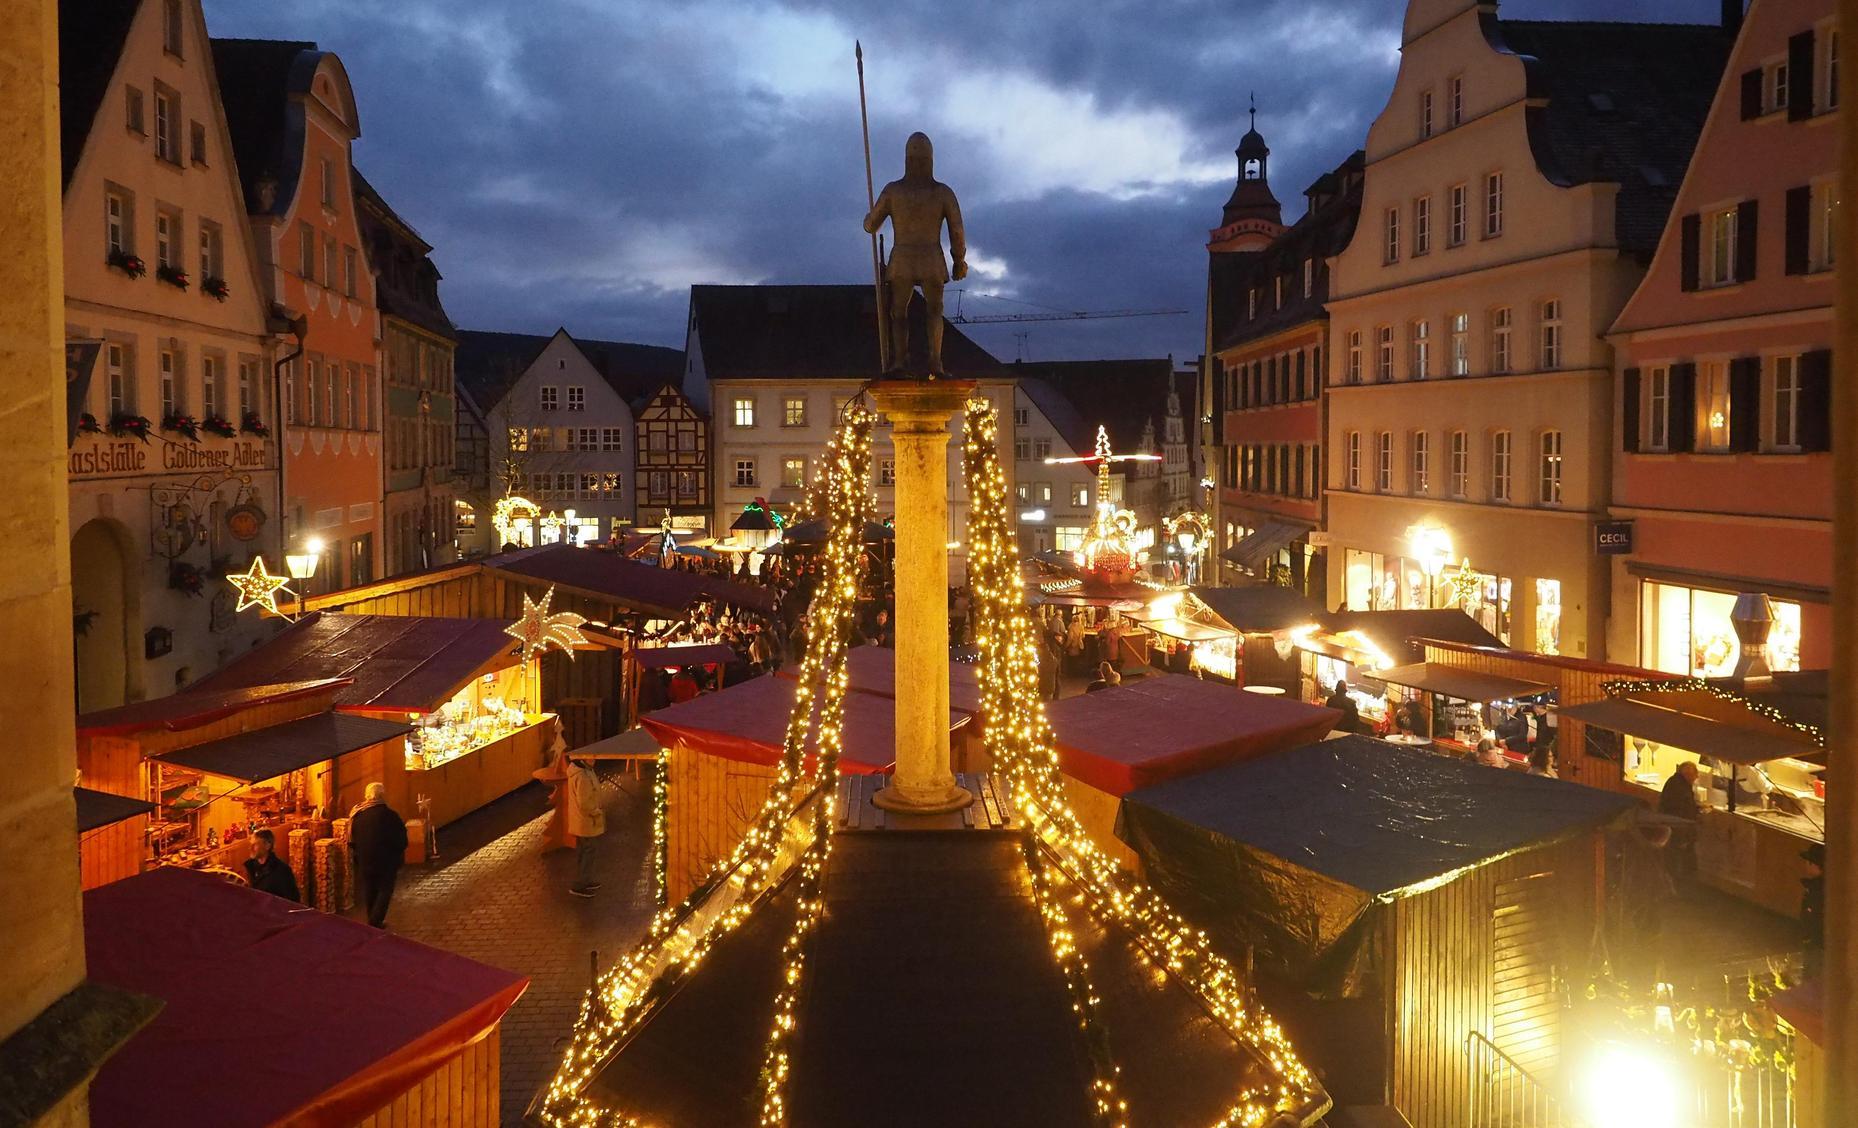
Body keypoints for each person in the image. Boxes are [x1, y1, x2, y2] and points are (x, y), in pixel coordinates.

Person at [350, 783, 408, 929]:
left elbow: (352, 840)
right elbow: (401, 839)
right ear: (382, 796)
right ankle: (375, 921)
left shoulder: (357, 815)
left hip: (364, 860)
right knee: (385, 890)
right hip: (386, 861)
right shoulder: (390, 816)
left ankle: (372, 919)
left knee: (369, 889)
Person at [566, 755, 606, 898]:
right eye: (590, 757)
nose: (594, 759)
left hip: (582, 822)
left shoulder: (585, 771)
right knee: (588, 851)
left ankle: (585, 880)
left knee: (585, 850)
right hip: (586, 821)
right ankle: (581, 884)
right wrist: (596, 812)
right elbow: (584, 803)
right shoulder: (582, 776)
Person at [243, 828, 299, 902]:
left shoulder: (282, 871)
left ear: (267, 845)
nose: (250, 848)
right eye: (250, 844)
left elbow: (292, 901)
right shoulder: (249, 868)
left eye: (255, 844)